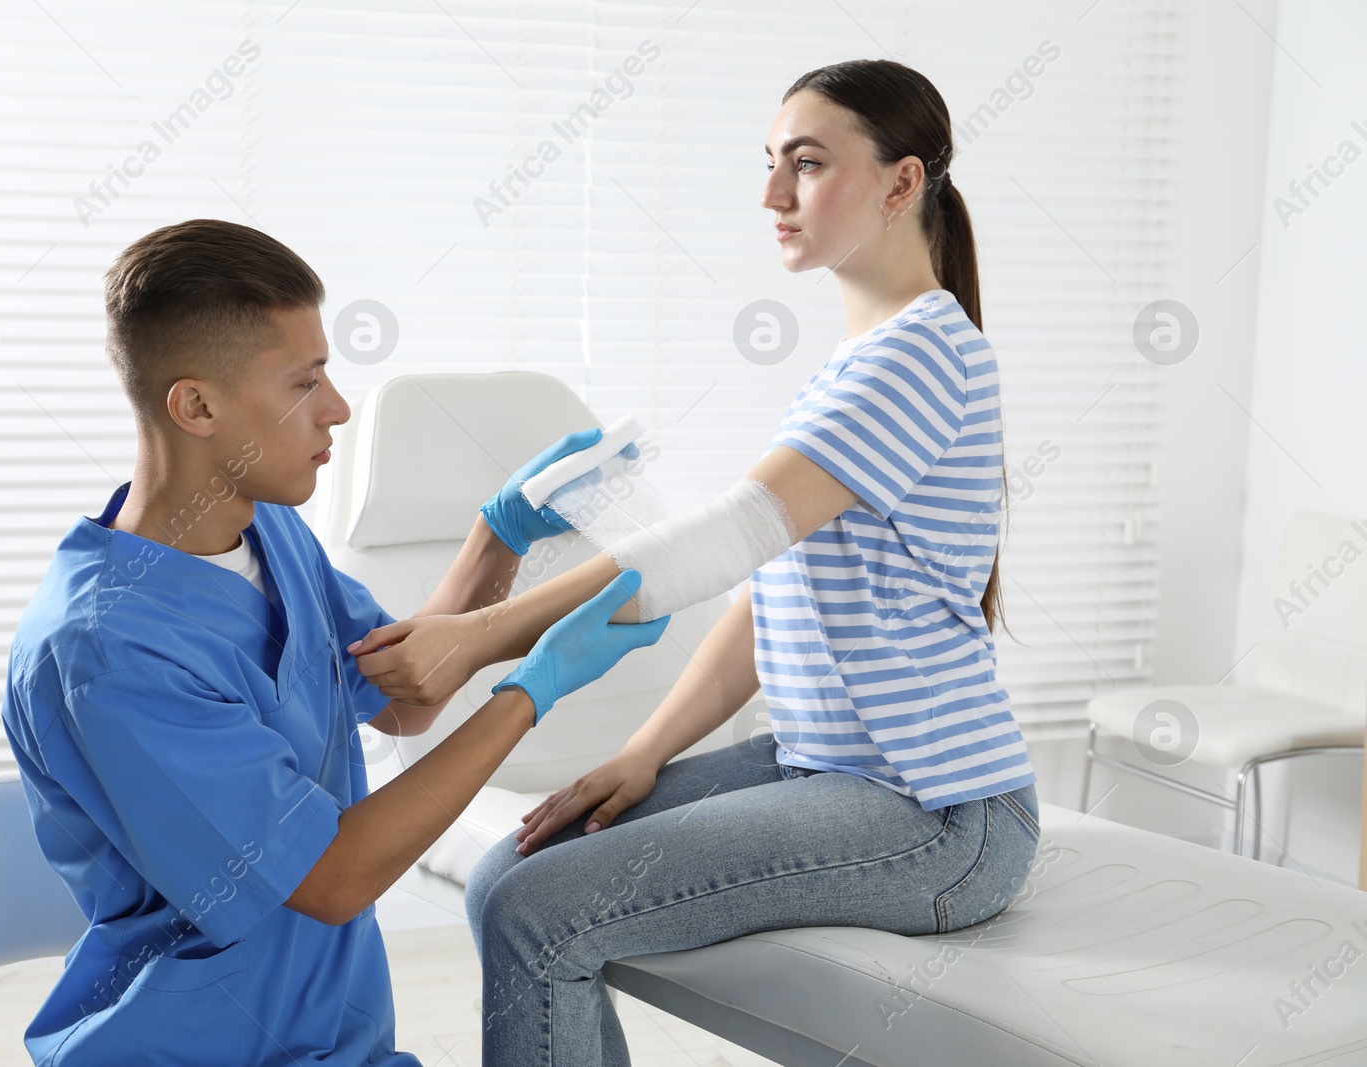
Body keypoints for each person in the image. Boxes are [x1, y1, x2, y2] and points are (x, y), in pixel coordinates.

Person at [350, 59, 1042, 1066]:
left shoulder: (922, 354)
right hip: (826, 768)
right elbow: (773, 597)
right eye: (769, 164)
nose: (771, 195)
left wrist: (480, 635)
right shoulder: (860, 363)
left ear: (901, 184)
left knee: (536, 913)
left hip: (936, 809)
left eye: (805, 165)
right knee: (509, 871)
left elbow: (727, 537)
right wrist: (642, 751)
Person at [0, 219, 668, 1066]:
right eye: (303, 381)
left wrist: (497, 539)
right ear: (196, 405)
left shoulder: (269, 532)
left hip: (337, 1040)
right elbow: (334, 877)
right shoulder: (105, 651)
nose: (339, 407)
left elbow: (399, 694)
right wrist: (530, 692)